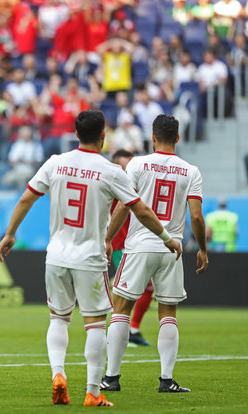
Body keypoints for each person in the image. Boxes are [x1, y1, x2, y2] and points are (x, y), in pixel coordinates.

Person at [0, 110, 182, 407]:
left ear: (75, 132)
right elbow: (141, 210)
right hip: (89, 257)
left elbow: (26, 198)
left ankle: (59, 375)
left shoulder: (56, 162)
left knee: (58, 319)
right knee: (95, 324)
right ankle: (93, 391)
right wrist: (166, 238)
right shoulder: (110, 171)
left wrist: (9, 234)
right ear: (103, 135)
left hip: (56, 255)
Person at [102, 114, 208, 394]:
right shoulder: (191, 171)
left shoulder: (137, 163)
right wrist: (202, 250)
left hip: (138, 246)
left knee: (121, 308)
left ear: (153, 137)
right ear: (178, 137)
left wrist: (109, 238)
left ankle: (111, 378)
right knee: (168, 313)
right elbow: (196, 217)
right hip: (171, 248)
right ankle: (166, 380)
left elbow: (124, 206)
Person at [110, 150, 153, 347]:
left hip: (136, 243)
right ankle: (117, 331)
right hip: (119, 245)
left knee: (146, 287)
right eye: (123, 167)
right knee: (125, 290)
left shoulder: (135, 185)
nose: (127, 172)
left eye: (129, 166)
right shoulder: (111, 186)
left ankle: (132, 329)